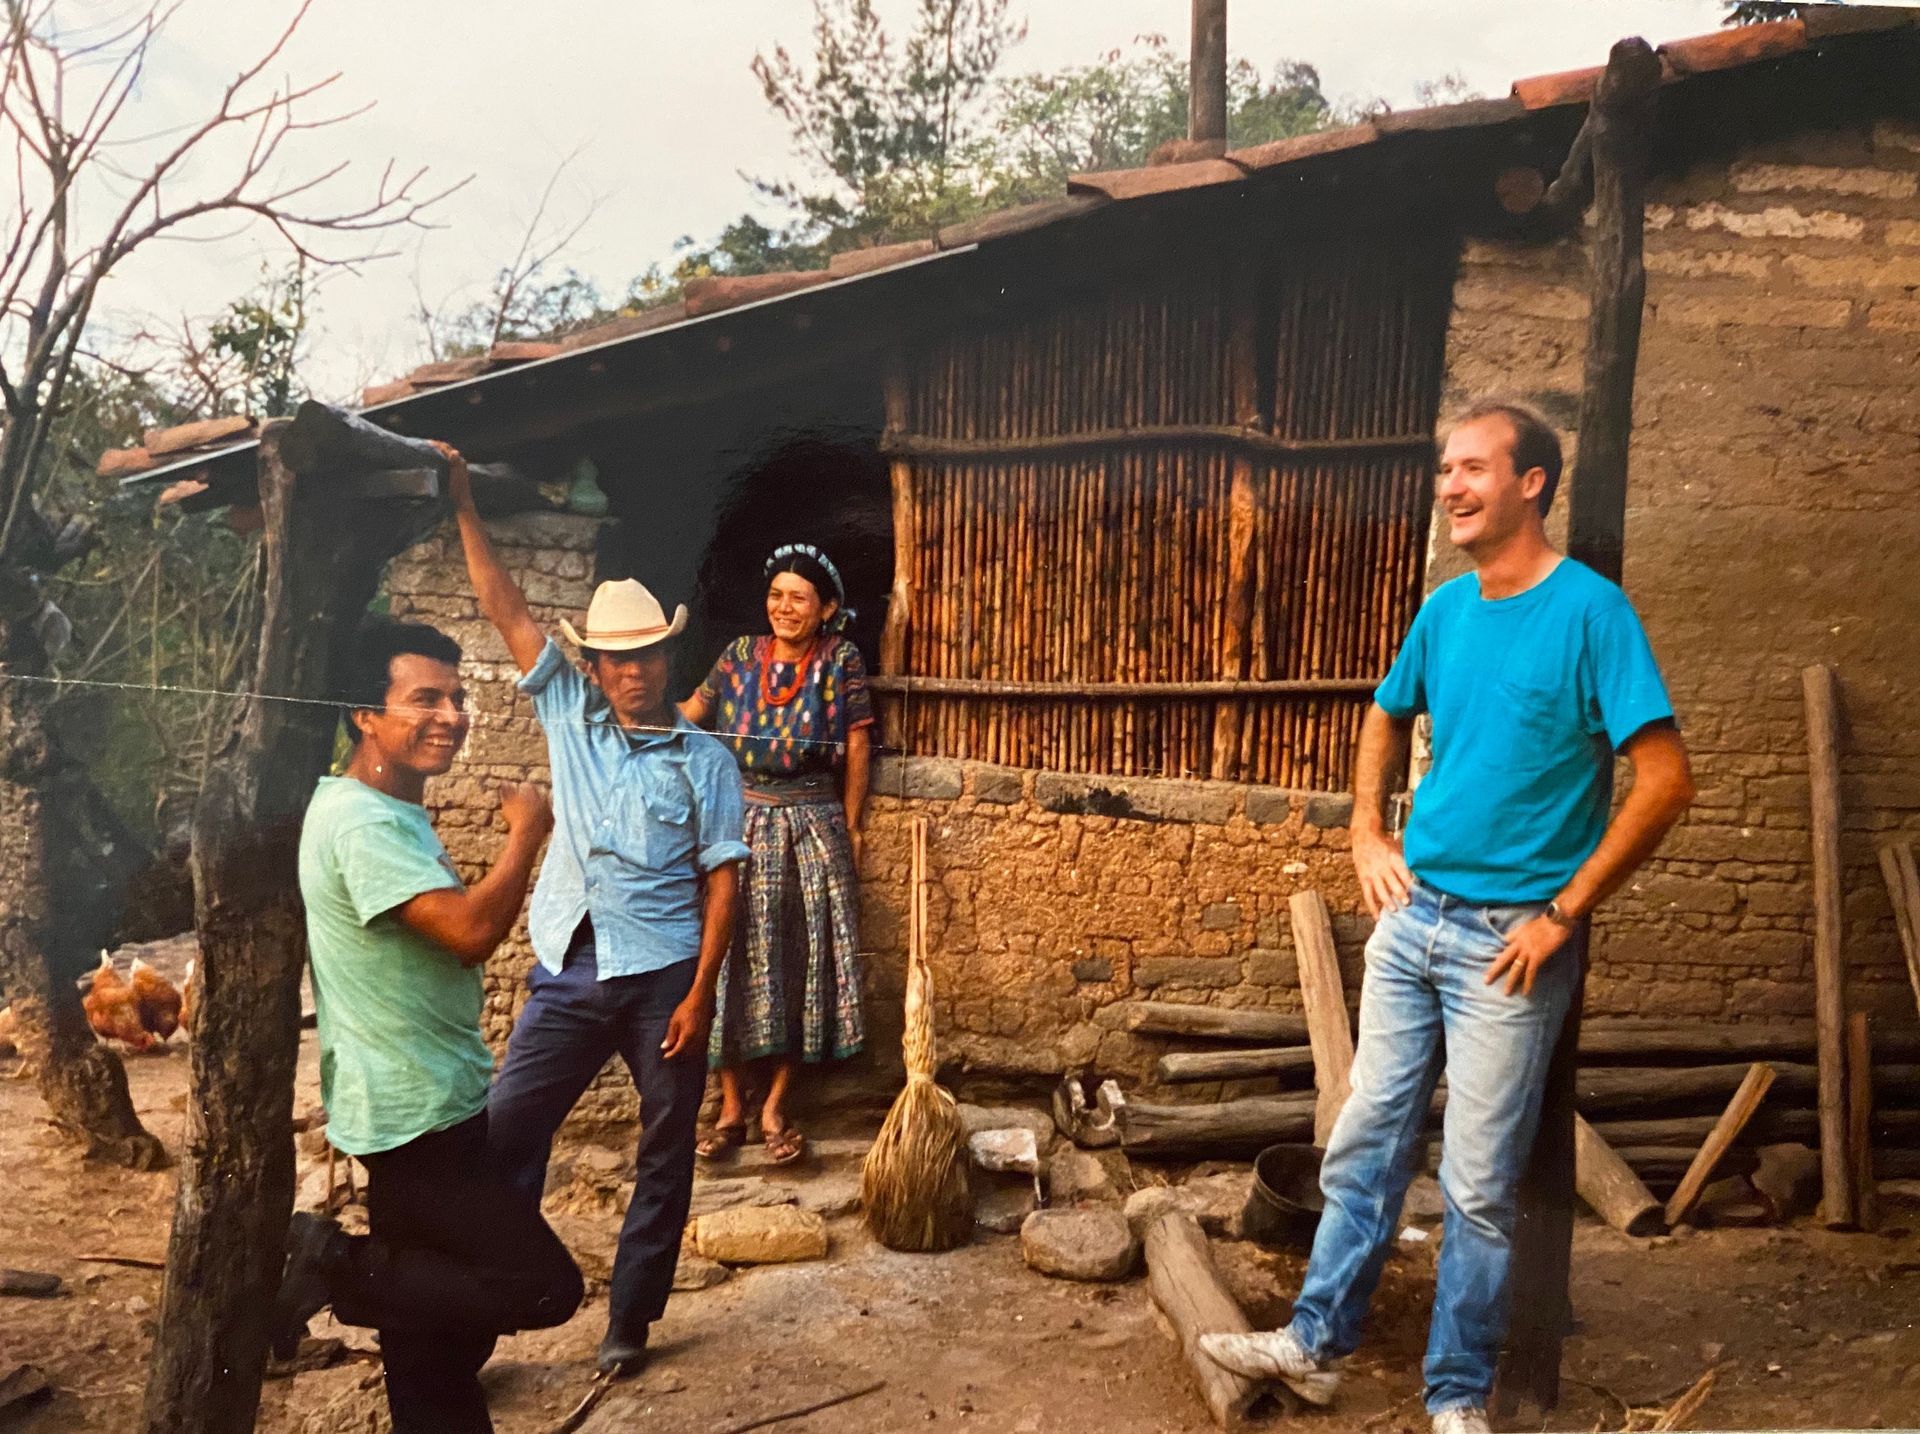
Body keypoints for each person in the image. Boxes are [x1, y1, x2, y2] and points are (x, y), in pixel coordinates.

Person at [1200, 400, 1696, 1434]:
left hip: (1509, 945)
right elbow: (1385, 710)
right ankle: (1315, 1345)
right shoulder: (1446, 609)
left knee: (1475, 1186)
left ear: (1532, 484)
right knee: (1363, 1144)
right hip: (1414, 918)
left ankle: (1457, 1394)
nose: (1451, 487)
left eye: (1473, 469)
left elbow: (1664, 781)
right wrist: (1365, 836)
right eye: (1445, 471)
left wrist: (1565, 911)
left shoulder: (1592, 615)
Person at [439, 442, 748, 1379]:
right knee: (504, 1134)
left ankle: (632, 1319)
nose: (630, 674)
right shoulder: (569, 715)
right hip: (571, 972)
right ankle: (494, 1304)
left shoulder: (707, 763)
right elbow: (505, 608)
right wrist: (462, 504)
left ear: (666, 656)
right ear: (596, 666)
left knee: (664, 1149)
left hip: (665, 981)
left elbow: (725, 882)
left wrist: (700, 997)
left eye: (644, 657)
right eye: (613, 660)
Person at [274, 620, 583, 1434]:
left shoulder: (378, 809)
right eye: (424, 698)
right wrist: (526, 836)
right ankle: (329, 1259)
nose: (449, 714)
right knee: (541, 1287)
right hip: (414, 1112)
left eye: (456, 696)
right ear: (363, 715)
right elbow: (470, 931)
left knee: (432, 1341)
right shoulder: (364, 823)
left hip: (422, 1097)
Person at [681, 543, 874, 1167]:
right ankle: (731, 1105)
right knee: (728, 954)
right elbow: (690, 715)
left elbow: (856, 743)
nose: (784, 608)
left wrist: (850, 826)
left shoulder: (841, 660)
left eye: (798, 598)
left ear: (826, 609)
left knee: (801, 960)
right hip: (740, 818)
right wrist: (631, 723)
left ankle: (777, 1105)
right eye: (776, 595)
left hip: (812, 821)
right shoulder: (739, 656)